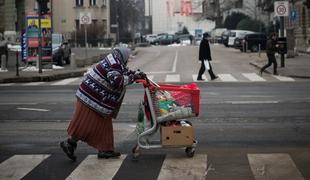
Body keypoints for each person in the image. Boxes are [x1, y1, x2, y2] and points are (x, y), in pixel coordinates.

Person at [60, 47, 146, 161]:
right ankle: (69, 143)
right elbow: (116, 81)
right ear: (124, 57)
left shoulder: (114, 60)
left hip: (95, 98)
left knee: (102, 125)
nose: (127, 61)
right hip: (90, 98)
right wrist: (133, 77)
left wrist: (135, 74)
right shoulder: (114, 63)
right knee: (85, 125)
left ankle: (105, 150)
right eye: (127, 58)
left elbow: (122, 71)